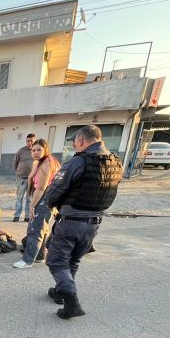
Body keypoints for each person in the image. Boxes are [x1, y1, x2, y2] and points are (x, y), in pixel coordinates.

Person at [44, 125, 123, 319]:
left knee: (56, 261)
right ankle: (61, 291)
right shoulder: (114, 162)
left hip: (71, 221)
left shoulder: (78, 162)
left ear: (81, 141)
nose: (74, 146)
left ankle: (72, 303)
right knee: (73, 259)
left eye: (74, 143)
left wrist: (49, 202)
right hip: (94, 222)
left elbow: (56, 189)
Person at [13, 138, 61, 269]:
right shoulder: (46, 161)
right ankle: (40, 255)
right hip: (49, 198)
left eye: (39, 149)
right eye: (33, 150)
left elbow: (41, 188)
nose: (35, 152)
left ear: (46, 149)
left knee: (35, 229)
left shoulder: (47, 163)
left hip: (44, 197)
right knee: (42, 228)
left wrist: (32, 205)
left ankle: (27, 260)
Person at [12, 133, 35, 222]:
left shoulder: (35, 151)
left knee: (29, 199)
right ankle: (16, 216)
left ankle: (27, 216)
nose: (29, 143)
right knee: (19, 198)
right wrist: (18, 172)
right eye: (28, 141)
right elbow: (15, 163)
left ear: (34, 141)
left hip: (31, 179)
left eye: (31, 141)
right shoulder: (21, 151)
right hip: (21, 178)